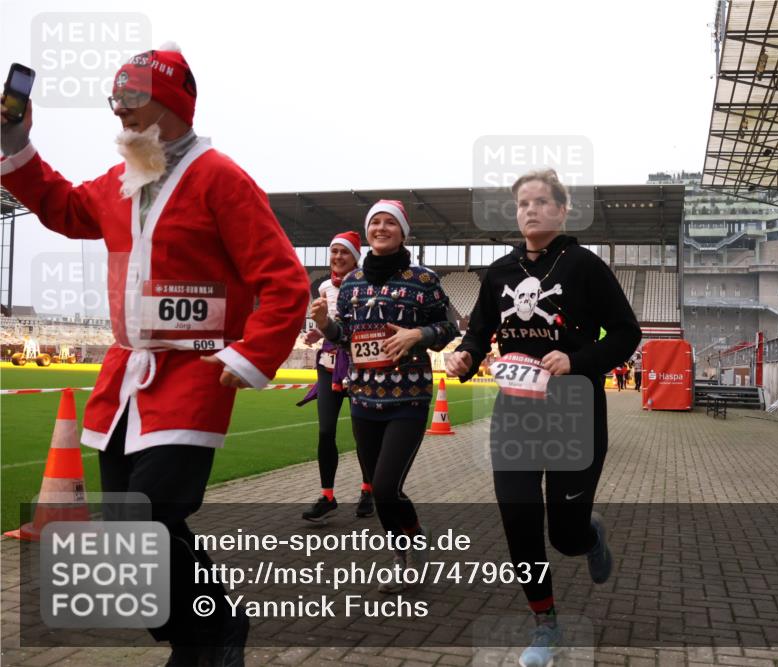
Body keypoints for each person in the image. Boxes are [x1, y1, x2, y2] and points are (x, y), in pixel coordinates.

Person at [1, 46, 310, 665]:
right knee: (123, 537)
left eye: (134, 103)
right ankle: (195, 634)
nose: (121, 117)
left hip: (193, 375)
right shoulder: (121, 181)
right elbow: (62, 207)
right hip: (126, 379)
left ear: (173, 106)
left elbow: (285, 280)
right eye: (116, 104)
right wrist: (15, 139)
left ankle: (214, 633)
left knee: (149, 521)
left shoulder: (222, 178)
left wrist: (250, 356)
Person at [446, 169, 641, 667]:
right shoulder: (498, 272)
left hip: (574, 411)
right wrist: (466, 356)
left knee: (565, 535)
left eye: (540, 202)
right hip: (515, 411)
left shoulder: (585, 267)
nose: (530, 210)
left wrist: (578, 361)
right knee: (519, 520)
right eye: (522, 204)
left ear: (561, 210)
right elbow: (481, 332)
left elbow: (626, 334)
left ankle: (589, 535)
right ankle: (545, 623)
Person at [311, 199, 458, 592]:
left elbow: (450, 325)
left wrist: (420, 335)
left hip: (407, 398)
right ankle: (402, 553)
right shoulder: (354, 282)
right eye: (374, 221)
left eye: (389, 222)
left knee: (388, 485)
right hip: (363, 399)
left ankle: (414, 538)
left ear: (402, 232)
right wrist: (326, 324)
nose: (380, 227)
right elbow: (345, 337)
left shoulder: (423, 279)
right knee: (379, 491)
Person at [298, 231, 374, 521]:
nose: (338, 257)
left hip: (358, 364)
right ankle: (327, 495)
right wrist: (317, 331)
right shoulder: (325, 287)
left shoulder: (366, 285)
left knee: (362, 433)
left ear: (356, 256)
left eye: (345, 252)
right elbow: (329, 324)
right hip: (328, 363)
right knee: (326, 431)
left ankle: (368, 490)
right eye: (334, 252)